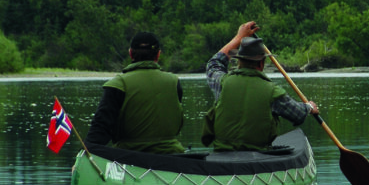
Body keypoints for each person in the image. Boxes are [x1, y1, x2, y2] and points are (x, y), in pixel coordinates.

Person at [202, 21, 318, 150]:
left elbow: (214, 63)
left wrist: (238, 37)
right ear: (261, 64)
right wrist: (309, 107)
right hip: (258, 154)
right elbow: (297, 114)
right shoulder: (272, 91)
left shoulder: (222, 82)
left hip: (222, 152)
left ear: (239, 61)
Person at [86, 31, 187, 154]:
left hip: (128, 157)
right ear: (158, 54)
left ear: (130, 53)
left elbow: (100, 129)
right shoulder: (174, 82)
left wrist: (86, 155)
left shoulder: (118, 84)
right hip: (173, 155)